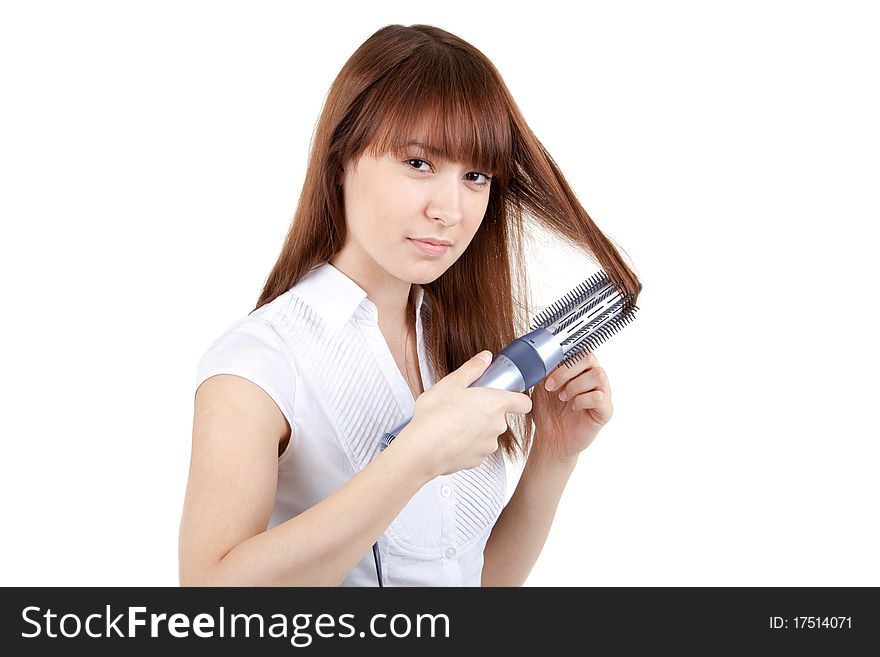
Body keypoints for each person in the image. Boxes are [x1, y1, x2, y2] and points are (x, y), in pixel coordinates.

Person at [178, 24, 641, 587]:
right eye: (419, 163)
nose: (449, 209)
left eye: (475, 176)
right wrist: (413, 459)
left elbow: (477, 581)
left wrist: (554, 456)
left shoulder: (460, 348)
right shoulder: (259, 363)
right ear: (341, 158)